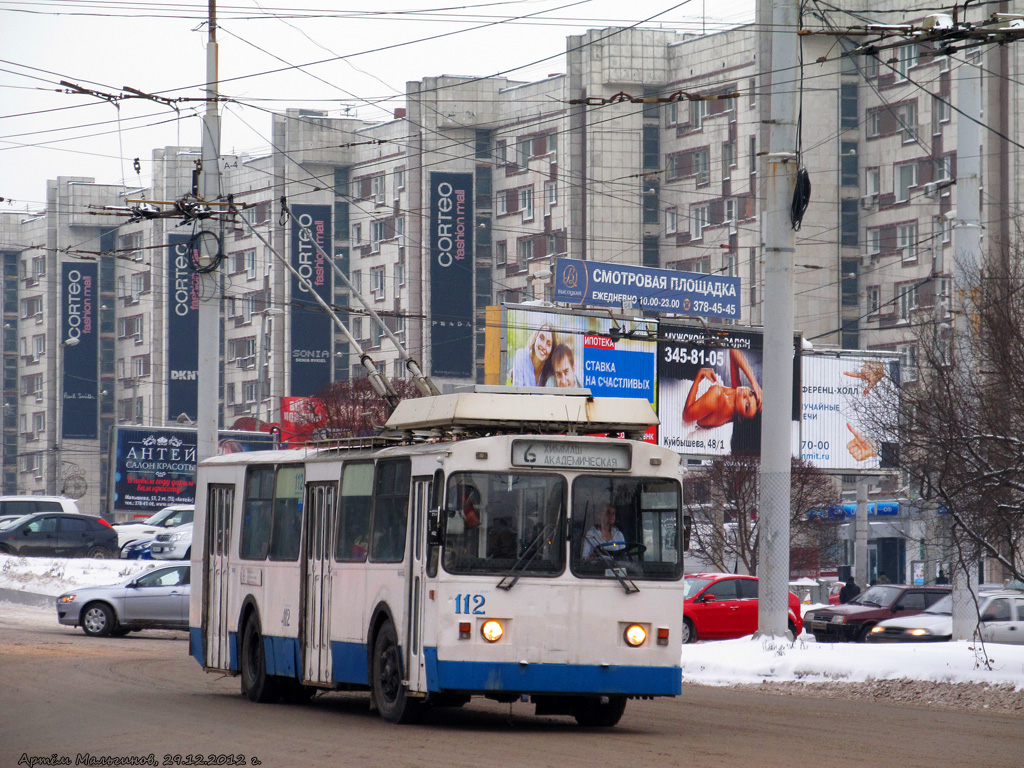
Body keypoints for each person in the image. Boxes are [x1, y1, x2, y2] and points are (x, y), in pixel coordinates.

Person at [683, 348, 763, 428]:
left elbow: (686, 417)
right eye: (751, 393)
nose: (745, 395)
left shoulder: (717, 396)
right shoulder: (735, 396)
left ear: (740, 419)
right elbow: (733, 351)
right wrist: (754, 382)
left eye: (747, 406)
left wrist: (700, 375)